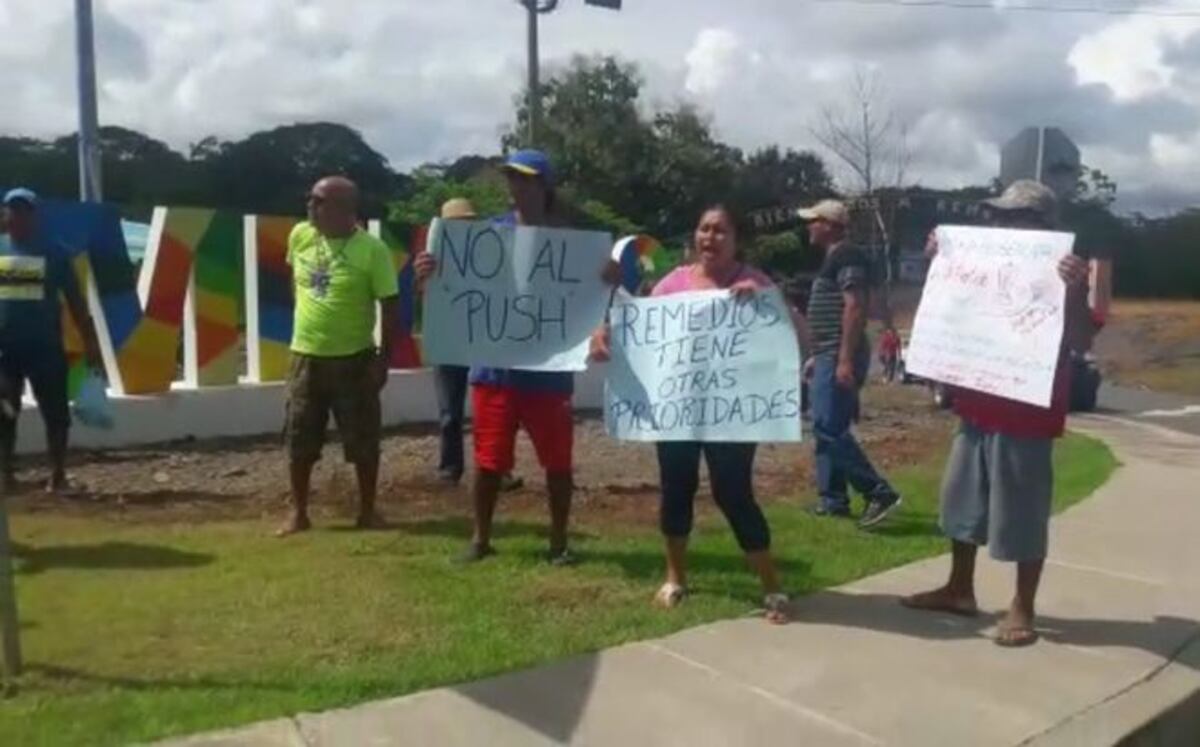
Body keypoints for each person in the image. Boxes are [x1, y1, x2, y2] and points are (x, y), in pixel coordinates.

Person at [902, 180, 1092, 647]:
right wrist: (940, 261)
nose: (1005, 224)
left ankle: (1022, 605)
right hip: (976, 405)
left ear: (1044, 226)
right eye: (1002, 216)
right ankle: (959, 589)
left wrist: (1074, 290)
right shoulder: (985, 261)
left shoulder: (1067, 272)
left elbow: (1082, 340)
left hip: (1027, 413)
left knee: (1022, 512)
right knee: (960, 503)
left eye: (1017, 217)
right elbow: (956, 306)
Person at [591, 205, 802, 624]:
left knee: (734, 493)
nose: (711, 237)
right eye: (704, 229)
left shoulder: (756, 282)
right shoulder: (673, 284)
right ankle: (675, 578)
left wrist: (763, 302)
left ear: (736, 239)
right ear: (695, 237)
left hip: (732, 414)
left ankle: (771, 585)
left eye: (721, 230)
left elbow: (794, 332)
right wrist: (604, 333)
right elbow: (643, 332)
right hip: (678, 412)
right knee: (676, 488)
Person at [415, 150, 618, 564]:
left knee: (558, 464)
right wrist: (430, 276)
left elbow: (594, 300)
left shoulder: (573, 243)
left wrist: (610, 280)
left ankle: (559, 543)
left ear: (545, 186)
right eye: (511, 178)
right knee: (488, 462)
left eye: (525, 179)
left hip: (549, 373)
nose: (516, 187)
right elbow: (451, 294)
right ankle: (480, 538)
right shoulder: (484, 239)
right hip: (494, 370)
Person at [278, 176, 399, 536]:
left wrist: (383, 359)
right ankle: (298, 513)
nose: (310, 206)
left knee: (362, 439)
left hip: (354, 358)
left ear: (345, 210)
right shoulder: (300, 236)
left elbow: (390, 305)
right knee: (299, 437)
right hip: (305, 357)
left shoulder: (372, 250)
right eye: (310, 199)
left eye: (318, 201)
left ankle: (368, 511)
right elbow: (295, 283)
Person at [798, 199, 901, 528]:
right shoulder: (833, 259)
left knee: (828, 427)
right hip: (827, 353)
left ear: (829, 225)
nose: (808, 226)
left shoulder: (848, 256)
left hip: (839, 355)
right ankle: (833, 500)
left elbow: (854, 307)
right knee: (827, 427)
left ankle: (877, 491)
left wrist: (842, 359)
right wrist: (818, 355)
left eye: (814, 220)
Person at [0, 188, 103, 495]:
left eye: (23, 210)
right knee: (5, 411)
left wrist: (91, 343)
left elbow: (76, 301)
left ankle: (57, 476)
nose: (16, 216)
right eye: (11, 210)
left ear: (35, 214)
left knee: (56, 413)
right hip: (6, 350)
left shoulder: (54, 252)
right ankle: (6, 475)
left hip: (45, 348)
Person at [431, 198, 523, 492]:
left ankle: (498, 469)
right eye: (457, 224)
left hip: (485, 339)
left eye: (469, 223)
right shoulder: (432, 259)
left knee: (495, 409)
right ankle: (450, 469)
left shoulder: (492, 256)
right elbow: (426, 297)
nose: (463, 228)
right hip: (450, 341)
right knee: (450, 413)